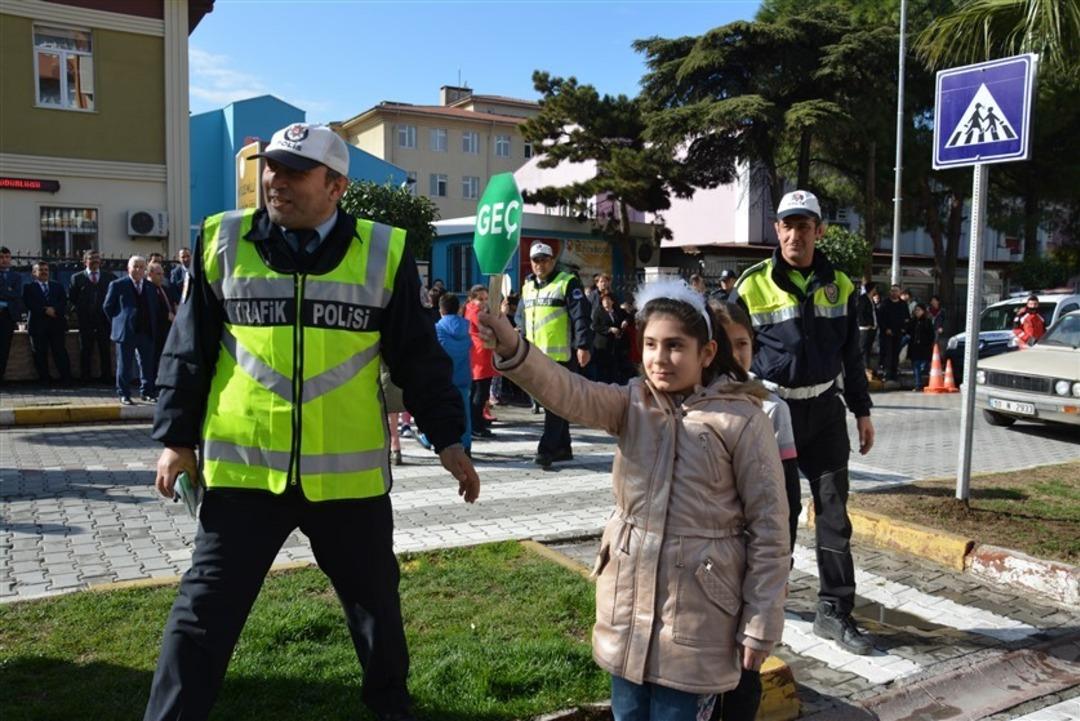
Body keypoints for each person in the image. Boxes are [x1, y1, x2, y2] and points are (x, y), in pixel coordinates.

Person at [143, 122, 479, 721]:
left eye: (295, 172)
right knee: (201, 615)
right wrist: (175, 438)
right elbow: (188, 348)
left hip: (347, 484)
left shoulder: (384, 251)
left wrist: (448, 438)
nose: (276, 181)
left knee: (377, 613)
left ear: (337, 186)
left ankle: (393, 711)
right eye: (272, 167)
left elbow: (418, 358)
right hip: (245, 477)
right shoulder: (224, 239)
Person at [479, 278, 789, 721]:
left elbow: (770, 530)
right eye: (650, 344)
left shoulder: (740, 420)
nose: (660, 358)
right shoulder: (632, 404)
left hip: (699, 618)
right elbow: (568, 391)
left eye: (675, 346)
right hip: (627, 608)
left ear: (706, 353)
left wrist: (760, 624)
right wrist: (512, 344)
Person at [731, 189, 876, 656]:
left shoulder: (843, 286)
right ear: (777, 230)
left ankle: (834, 610)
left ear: (819, 230)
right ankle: (766, 600)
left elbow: (851, 355)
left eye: (805, 225)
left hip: (826, 413)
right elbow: (728, 353)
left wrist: (862, 410)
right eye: (787, 225)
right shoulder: (750, 285)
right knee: (780, 518)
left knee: (834, 515)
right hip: (775, 416)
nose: (796, 234)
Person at [711, 299, 799, 721]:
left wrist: (777, 575)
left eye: (743, 344)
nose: (735, 355)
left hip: (754, 571)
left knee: (745, 680)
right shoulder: (688, 403)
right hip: (706, 576)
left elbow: (787, 503)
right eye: (725, 344)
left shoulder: (771, 408)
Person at [516, 241, 593, 468]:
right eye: (535, 260)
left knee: (554, 403)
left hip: (561, 357)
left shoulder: (567, 282)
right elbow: (522, 316)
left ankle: (546, 450)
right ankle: (563, 447)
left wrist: (583, 346)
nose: (540, 264)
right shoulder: (528, 286)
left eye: (544, 260)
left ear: (552, 261)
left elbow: (581, 316)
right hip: (535, 356)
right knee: (557, 403)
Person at [103, 255, 160, 405]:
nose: (138, 269)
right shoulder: (117, 285)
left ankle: (147, 392)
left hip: (146, 331)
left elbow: (154, 308)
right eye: (135, 266)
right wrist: (119, 322)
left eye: (141, 267)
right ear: (128, 268)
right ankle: (124, 394)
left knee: (147, 364)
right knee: (125, 365)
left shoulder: (150, 287)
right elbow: (107, 307)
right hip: (126, 333)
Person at [432, 292, 472, 453]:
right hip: (464, 376)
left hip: (443, 378)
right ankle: (466, 445)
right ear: (459, 309)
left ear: (440, 310)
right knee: (465, 412)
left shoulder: (437, 328)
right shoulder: (467, 326)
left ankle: (436, 441)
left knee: (440, 411)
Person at [69, 249, 117, 383]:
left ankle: (107, 377)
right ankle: (85, 378)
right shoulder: (77, 278)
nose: (95, 260)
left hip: (104, 321)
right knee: (85, 349)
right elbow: (72, 299)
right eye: (91, 258)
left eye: (97, 258)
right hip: (86, 321)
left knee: (105, 349)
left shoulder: (109, 277)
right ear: (85, 261)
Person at [22, 260, 73, 384]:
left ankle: (66, 379)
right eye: (41, 270)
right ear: (34, 273)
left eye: (46, 270)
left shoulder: (57, 286)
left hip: (56, 324)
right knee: (39, 353)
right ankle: (45, 379)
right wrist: (45, 310)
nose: (44, 272)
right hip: (38, 325)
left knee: (60, 352)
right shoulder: (28, 288)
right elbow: (28, 303)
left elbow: (64, 301)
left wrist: (54, 309)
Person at [464, 284, 497, 439]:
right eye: (480, 299)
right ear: (471, 299)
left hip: (478, 355)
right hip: (480, 355)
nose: (484, 302)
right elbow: (487, 330)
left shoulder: (470, 309)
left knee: (478, 392)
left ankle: (476, 423)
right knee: (480, 393)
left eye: (486, 299)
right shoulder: (476, 312)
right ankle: (476, 425)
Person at [591, 292, 630, 384]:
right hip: (602, 344)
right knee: (602, 368)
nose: (606, 302)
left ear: (612, 302)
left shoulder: (617, 311)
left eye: (608, 300)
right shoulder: (599, 311)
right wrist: (609, 329)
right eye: (604, 300)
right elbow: (595, 326)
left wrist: (625, 321)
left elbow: (628, 316)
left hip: (615, 344)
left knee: (614, 367)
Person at [0, 246, 25, 383]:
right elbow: (10, 293)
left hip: (7, 316)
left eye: (7, 257)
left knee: (4, 348)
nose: (4, 260)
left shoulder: (16, 276)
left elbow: (16, 294)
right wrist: (7, 291)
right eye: (1, 257)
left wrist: (4, 293)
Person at [147, 261, 178, 368]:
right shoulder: (147, 289)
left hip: (167, 330)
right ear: (150, 274)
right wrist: (166, 315)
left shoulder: (164, 288)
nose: (162, 277)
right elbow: (152, 309)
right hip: (155, 332)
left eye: (162, 274)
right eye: (158, 274)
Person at [878, 285, 909, 381]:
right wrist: (885, 328)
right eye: (892, 291)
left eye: (896, 291)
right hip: (887, 333)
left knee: (896, 354)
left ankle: (894, 374)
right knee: (888, 353)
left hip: (898, 333)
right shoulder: (885, 303)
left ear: (899, 292)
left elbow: (907, 318)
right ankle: (887, 373)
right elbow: (880, 318)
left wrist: (904, 328)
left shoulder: (903, 304)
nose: (894, 293)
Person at [904, 304, 935, 391]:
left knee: (923, 365)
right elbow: (908, 331)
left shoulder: (927, 322)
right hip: (914, 347)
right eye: (916, 310)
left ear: (923, 311)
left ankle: (922, 383)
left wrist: (929, 344)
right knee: (915, 366)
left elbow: (931, 335)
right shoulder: (912, 321)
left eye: (919, 310)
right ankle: (918, 384)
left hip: (924, 347)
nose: (917, 312)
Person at [856, 283, 878, 376]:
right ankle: (863, 367)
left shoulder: (871, 300)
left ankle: (867, 366)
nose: (875, 291)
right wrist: (865, 324)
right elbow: (860, 313)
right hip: (864, 328)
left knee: (868, 349)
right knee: (863, 348)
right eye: (874, 289)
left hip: (872, 328)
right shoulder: (863, 299)